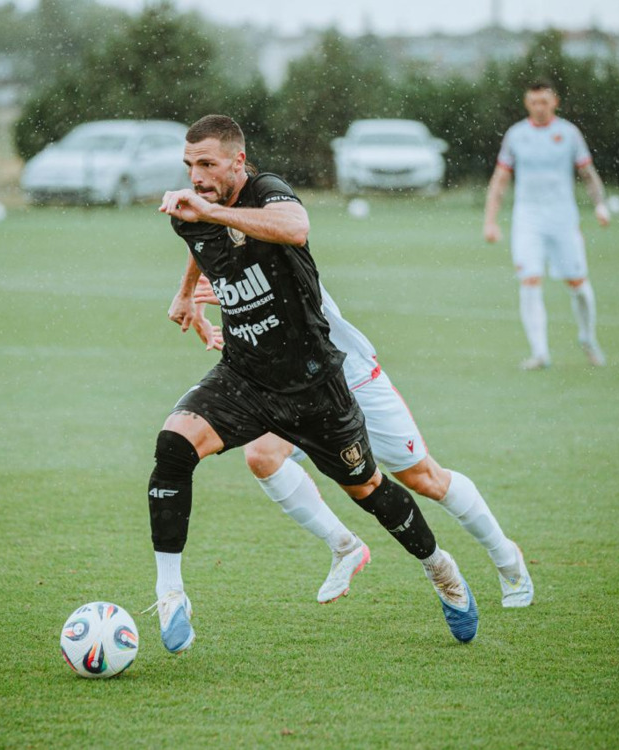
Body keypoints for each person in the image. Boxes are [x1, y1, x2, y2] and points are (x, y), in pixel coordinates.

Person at [151, 114, 478, 653]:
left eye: (207, 164)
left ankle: (440, 568)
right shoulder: (193, 211)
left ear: (238, 160)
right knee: (173, 445)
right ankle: (170, 593)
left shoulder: (267, 191)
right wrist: (187, 293)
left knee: (368, 489)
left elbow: (295, 227)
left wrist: (209, 210)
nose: (196, 176)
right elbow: (202, 243)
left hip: (313, 383)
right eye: (189, 165)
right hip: (244, 375)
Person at [186, 275, 534, 609]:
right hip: (297, 390)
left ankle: (506, 558)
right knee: (262, 455)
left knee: (425, 479)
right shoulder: (222, 242)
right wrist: (193, 303)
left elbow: (295, 296)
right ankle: (344, 546)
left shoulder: (280, 238)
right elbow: (201, 250)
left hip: (352, 377)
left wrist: (242, 300)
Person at [483, 80, 611, 371]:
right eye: (534, 102)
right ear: (526, 104)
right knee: (529, 281)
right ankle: (540, 352)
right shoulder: (516, 135)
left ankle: (587, 338)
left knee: (578, 284)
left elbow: (588, 173)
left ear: (555, 102)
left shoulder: (569, 133)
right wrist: (490, 221)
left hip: (563, 219)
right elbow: (500, 179)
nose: (539, 107)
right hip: (528, 219)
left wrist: (600, 205)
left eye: (544, 102)